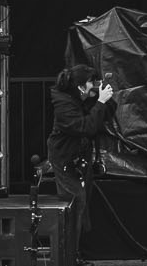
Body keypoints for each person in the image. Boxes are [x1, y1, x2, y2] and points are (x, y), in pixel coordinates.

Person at [45, 67, 116, 244]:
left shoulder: (81, 99)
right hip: (65, 158)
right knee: (75, 202)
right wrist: (100, 102)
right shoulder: (63, 105)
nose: (94, 85)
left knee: (83, 205)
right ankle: (69, 253)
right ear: (80, 86)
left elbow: (106, 114)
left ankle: (76, 250)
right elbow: (85, 127)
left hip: (80, 158)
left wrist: (103, 98)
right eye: (91, 82)